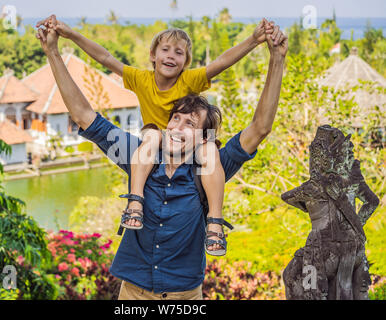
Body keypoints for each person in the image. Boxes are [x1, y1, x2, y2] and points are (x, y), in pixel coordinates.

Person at [36, 21, 287, 299]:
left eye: (190, 124)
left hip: (184, 296)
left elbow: (260, 127)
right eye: (174, 119)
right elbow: (84, 115)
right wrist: (53, 53)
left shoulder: (210, 168)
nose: (178, 128)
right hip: (132, 293)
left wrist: (277, 58)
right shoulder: (139, 155)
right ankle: (135, 203)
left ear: (204, 138)